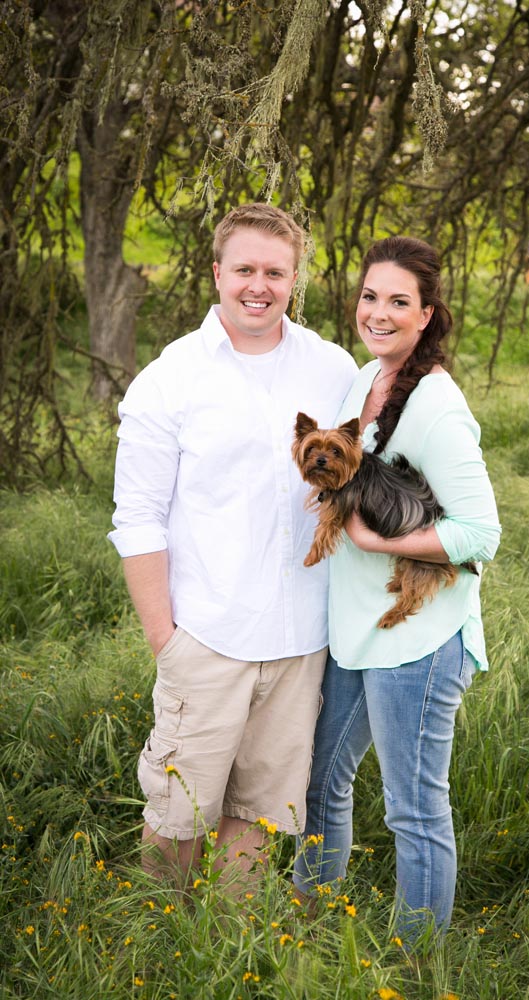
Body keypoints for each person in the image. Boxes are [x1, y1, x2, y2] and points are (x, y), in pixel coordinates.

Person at [108, 203, 358, 885]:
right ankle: (158, 946)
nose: (259, 285)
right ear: (217, 273)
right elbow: (137, 517)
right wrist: (168, 639)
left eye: (274, 272)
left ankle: (229, 948)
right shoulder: (171, 378)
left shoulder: (333, 369)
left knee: (260, 809)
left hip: (301, 638)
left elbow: (363, 477)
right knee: (178, 811)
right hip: (207, 635)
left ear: (293, 280)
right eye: (244, 268)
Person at [293, 236, 501, 941]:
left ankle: (415, 964)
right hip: (355, 629)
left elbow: (479, 533)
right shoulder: (363, 380)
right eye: (369, 296)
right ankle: (309, 928)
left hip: (418, 640)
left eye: (397, 302)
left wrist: (378, 541)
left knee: (412, 809)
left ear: (426, 315)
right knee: (320, 784)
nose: (378, 313)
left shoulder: (435, 405)